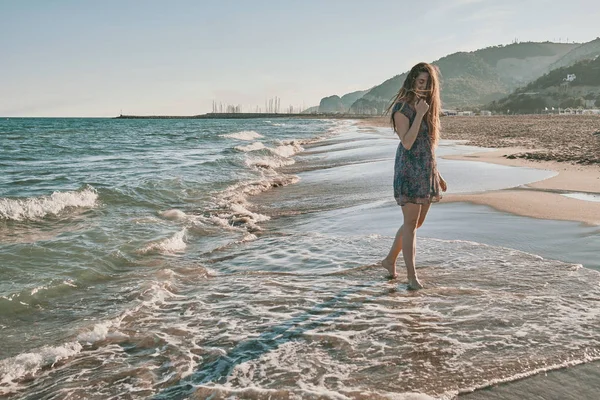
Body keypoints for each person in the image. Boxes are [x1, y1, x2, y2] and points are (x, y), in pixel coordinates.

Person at [381, 62, 447, 290]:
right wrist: (419, 114)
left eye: (428, 84)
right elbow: (407, 143)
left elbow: (427, 145)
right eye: (420, 82)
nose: (424, 87)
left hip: (425, 170)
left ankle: (389, 260)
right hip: (409, 170)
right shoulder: (402, 108)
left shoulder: (425, 107)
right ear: (411, 81)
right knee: (410, 224)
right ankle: (411, 277)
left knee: (415, 223)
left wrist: (437, 174)